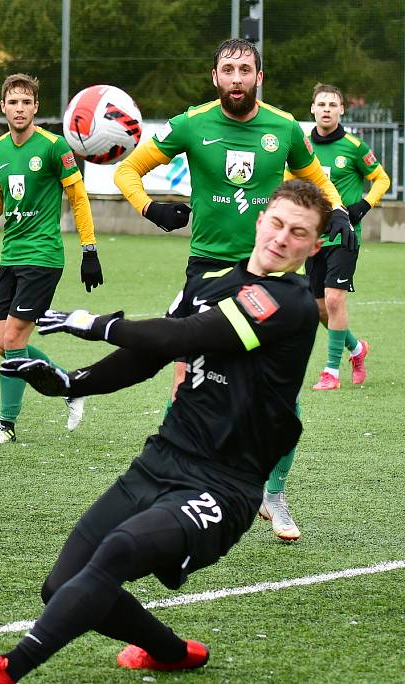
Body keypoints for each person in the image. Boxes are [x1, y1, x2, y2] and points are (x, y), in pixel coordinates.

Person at [0, 179, 329, 683]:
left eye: (298, 233)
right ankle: (170, 651)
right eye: (277, 222)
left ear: (313, 247)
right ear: (260, 219)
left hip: (223, 486)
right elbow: (153, 352)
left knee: (118, 549)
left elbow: (188, 335)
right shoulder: (209, 282)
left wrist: (96, 324)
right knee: (62, 586)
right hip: (161, 460)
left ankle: (4, 670)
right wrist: (72, 382)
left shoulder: (290, 302)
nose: (281, 238)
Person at [113, 38, 350, 542]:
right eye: (228, 69)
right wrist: (149, 207)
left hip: (272, 276)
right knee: (186, 385)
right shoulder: (191, 123)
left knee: (280, 396)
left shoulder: (283, 128)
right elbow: (127, 170)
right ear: (215, 77)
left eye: (246, 69)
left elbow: (318, 181)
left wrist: (341, 212)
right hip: (207, 272)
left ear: (258, 77)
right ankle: (173, 482)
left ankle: (274, 491)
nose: (237, 77)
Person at [0, 72, 103, 444]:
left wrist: (89, 250)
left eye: (26, 102)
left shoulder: (55, 147)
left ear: (36, 107)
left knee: (14, 338)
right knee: (4, 345)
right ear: (3, 107)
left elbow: (79, 198)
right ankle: (72, 385)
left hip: (43, 257)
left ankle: (6, 424)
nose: (20, 108)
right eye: (13, 102)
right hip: (10, 257)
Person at [299, 83, 390, 390]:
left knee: (335, 300)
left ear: (341, 110)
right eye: (321, 104)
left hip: (344, 235)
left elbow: (381, 178)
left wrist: (363, 205)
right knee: (320, 307)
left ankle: (331, 372)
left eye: (332, 104)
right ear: (312, 109)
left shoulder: (354, 146)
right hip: (312, 238)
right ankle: (356, 348)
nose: (326, 109)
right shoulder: (302, 147)